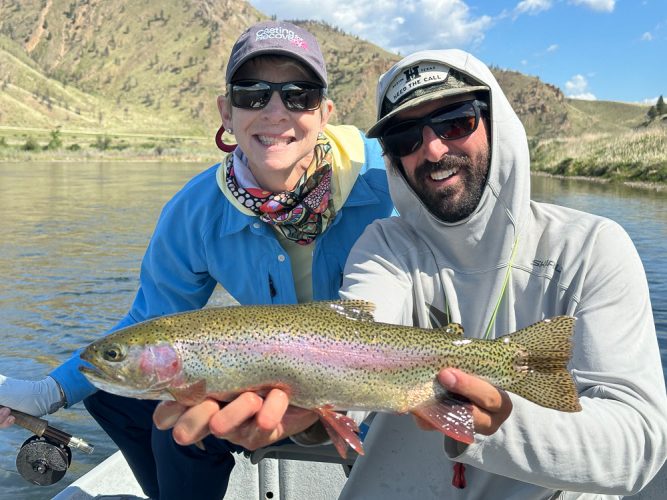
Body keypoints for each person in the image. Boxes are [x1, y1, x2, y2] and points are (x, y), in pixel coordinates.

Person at [158, 48, 667, 499]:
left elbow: (638, 449)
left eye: (455, 123)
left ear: (496, 123)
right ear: (393, 156)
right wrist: (311, 410)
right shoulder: (384, 247)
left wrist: (503, 421)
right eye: (405, 136)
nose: (434, 149)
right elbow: (356, 337)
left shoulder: (592, 249)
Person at [0, 20, 392, 499]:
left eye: (298, 94)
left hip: (378, 382)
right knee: (123, 401)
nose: (275, 111)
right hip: (266, 387)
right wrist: (48, 393)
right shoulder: (194, 211)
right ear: (226, 112)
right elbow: (152, 320)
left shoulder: (395, 175)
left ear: (324, 111)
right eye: (252, 94)